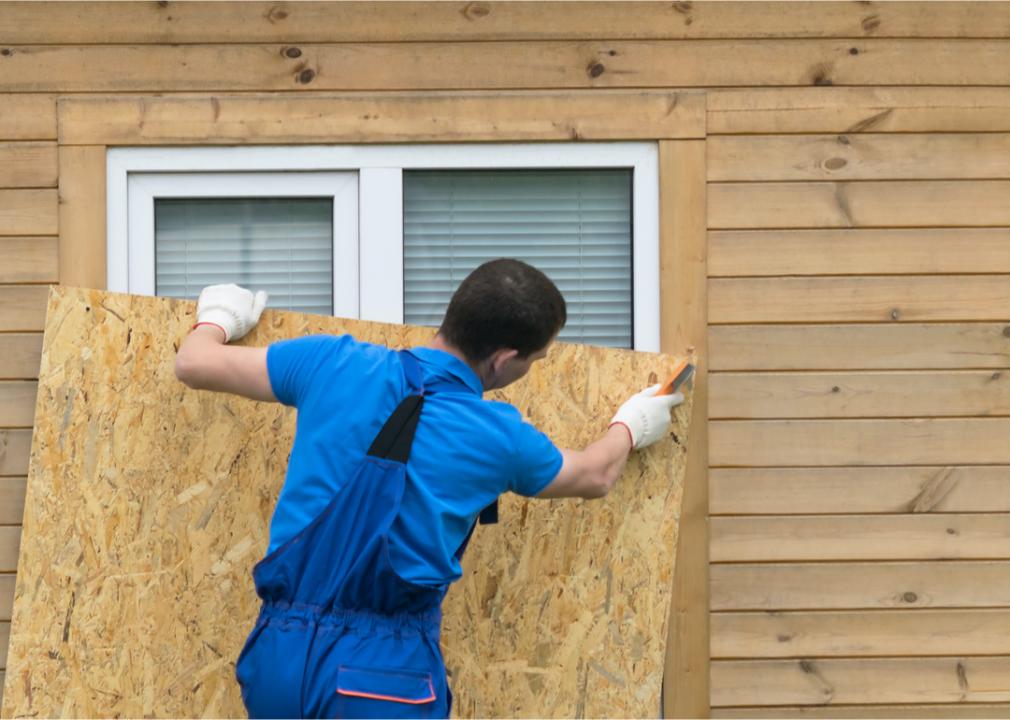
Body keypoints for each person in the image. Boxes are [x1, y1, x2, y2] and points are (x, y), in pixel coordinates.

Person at [174, 259, 683, 719]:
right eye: (535, 359)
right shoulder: (498, 435)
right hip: (382, 677)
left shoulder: (330, 362)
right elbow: (593, 474)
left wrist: (219, 316)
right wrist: (632, 425)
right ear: (505, 360)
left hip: (278, 665)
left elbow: (194, 364)